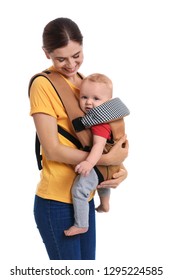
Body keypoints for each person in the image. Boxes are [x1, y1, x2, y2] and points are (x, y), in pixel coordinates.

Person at [29, 17, 128, 260]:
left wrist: (117, 168)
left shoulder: (87, 83)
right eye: (60, 58)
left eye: (77, 55)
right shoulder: (43, 85)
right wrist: (104, 160)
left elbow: (100, 136)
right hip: (57, 201)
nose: (71, 64)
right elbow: (51, 149)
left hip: (87, 194)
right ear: (46, 54)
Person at [64, 73, 126, 236]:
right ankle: (105, 204)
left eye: (96, 99)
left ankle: (81, 224)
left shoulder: (99, 122)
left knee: (80, 190)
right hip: (112, 168)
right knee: (101, 184)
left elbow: (98, 146)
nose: (89, 102)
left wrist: (88, 163)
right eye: (84, 97)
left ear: (108, 101)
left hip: (100, 164)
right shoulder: (113, 116)